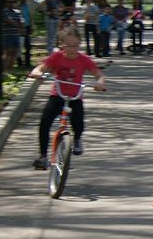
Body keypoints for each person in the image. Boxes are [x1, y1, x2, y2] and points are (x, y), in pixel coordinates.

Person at [27, 28, 107, 169]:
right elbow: (42, 67)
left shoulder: (83, 59)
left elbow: (98, 74)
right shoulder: (57, 57)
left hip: (75, 97)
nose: (72, 49)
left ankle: (76, 139)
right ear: (62, 45)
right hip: (57, 95)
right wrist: (37, 72)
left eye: (76, 45)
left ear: (80, 44)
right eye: (69, 45)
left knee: (78, 121)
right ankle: (43, 156)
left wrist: (100, 82)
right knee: (45, 122)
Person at [2, 0, 23, 70]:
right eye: (9, 2)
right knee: (8, 52)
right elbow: (8, 20)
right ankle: (5, 68)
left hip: (16, 35)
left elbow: (22, 21)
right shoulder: (4, 12)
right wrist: (17, 24)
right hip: (7, 35)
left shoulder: (17, 12)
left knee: (14, 52)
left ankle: (10, 68)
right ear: (6, 3)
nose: (11, 3)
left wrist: (19, 25)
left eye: (12, 2)